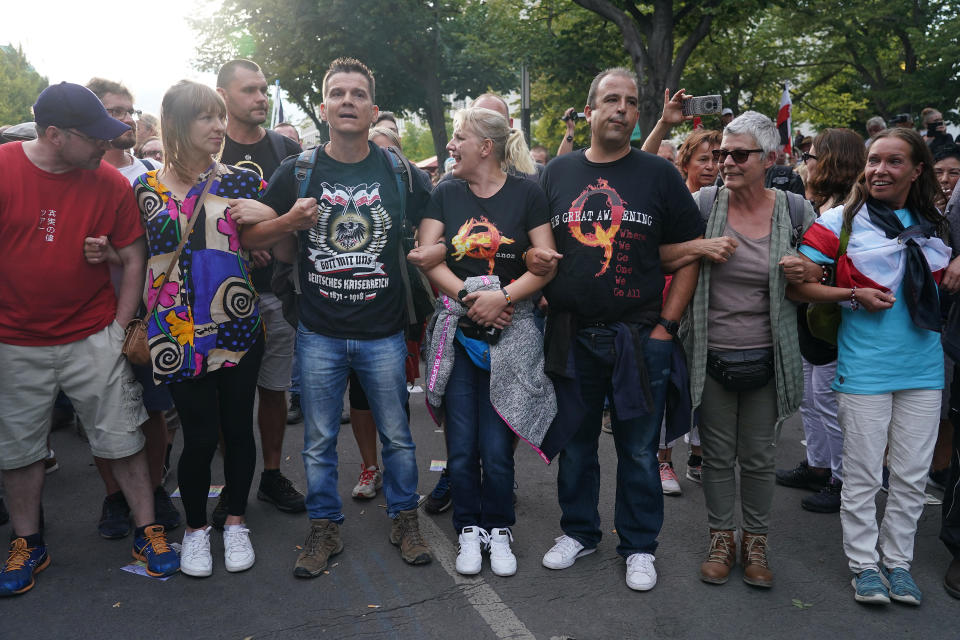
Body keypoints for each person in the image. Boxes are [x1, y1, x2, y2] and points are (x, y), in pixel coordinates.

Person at [241, 57, 435, 577]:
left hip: (383, 333)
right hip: (319, 332)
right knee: (320, 440)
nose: (348, 101)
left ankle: (404, 518)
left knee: (397, 435)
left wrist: (432, 250)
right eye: (338, 93)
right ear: (324, 107)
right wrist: (286, 219)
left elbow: (438, 210)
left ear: (373, 109)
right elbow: (249, 237)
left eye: (358, 94)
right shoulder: (299, 170)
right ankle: (324, 526)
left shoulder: (398, 170)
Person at [527, 67, 704, 592]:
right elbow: (536, 249)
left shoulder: (659, 175)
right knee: (576, 446)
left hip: (639, 337)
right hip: (571, 335)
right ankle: (579, 532)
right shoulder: (556, 174)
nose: (621, 109)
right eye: (610, 100)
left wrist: (666, 328)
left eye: (630, 102)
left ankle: (640, 546)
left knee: (637, 449)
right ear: (589, 112)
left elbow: (690, 254)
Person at [0, 82, 179, 596]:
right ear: (54, 134)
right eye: (94, 136)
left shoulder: (110, 183)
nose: (108, 145)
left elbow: (134, 255)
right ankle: (27, 540)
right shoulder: (6, 168)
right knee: (19, 450)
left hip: (92, 333)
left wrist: (119, 327)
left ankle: (148, 531)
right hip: (14, 342)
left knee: (123, 435)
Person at [785, 127, 951, 605]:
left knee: (911, 475)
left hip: (923, 367)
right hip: (864, 368)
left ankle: (898, 563)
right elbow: (799, 287)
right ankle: (864, 565)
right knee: (861, 475)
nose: (879, 170)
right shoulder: (840, 221)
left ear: (917, 170)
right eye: (874, 160)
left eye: (893, 162)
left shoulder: (934, 222)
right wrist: (850, 293)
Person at [134, 80, 269, 577]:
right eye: (206, 118)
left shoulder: (241, 180)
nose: (218, 127)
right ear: (176, 125)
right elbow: (136, 256)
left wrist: (272, 216)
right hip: (175, 329)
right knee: (197, 434)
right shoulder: (145, 188)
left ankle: (235, 521)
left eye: (220, 117)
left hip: (236, 321)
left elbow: (270, 244)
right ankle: (194, 530)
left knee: (237, 427)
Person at [418, 106, 558, 576]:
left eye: (459, 138)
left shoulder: (528, 194)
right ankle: (468, 529)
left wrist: (503, 298)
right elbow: (426, 256)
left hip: (511, 332)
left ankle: (499, 528)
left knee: (497, 449)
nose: (451, 146)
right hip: (459, 331)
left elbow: (547, 262)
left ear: (486, 147)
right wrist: (468, 295)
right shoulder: (445, 193)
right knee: (460, 446)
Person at [682, 111, 816, 589]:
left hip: (769, 354)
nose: (727, 163)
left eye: (740, 154)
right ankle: (722, 539)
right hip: (710, 352)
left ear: (770, 158)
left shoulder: (796, 211)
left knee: (759, 456)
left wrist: (807, 273)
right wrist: (700, 249)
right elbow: (663, 254)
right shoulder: (702, 202)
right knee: (716, 455)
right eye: (722, 154)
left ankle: (756, 542)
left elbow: (822, 275)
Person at [83, 77, 181, 537]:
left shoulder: (148, 172)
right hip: (90, 315)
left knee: (154, 409)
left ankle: (156, 487)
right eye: (114, 112)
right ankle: (115, 498)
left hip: (148, 315)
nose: (125, 120)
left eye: (128, 111)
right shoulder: (80, 174)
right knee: (101, 414)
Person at [216, 59, 305, 524]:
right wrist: (244, 247)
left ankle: (271, 475)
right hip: (219, 296)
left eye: (264, 89)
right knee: (229, 396)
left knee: (274, 389)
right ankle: (233, 490)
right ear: (223, 95)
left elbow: (303, 215)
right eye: (249, 90)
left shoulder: (286, 148)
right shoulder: (209, 147)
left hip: (276, 293)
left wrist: (272, 239)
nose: (260, 98)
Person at [776, 128, 865, 514]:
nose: (805, 164)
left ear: (829, 161)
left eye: (810, 158)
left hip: (833, 318)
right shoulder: (826, 202)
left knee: (829, 403)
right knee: (810, 399)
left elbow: (845, 269)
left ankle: (842, 481)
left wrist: (813, 274)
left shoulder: (850, 208)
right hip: (812, 318)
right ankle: (818, 465)